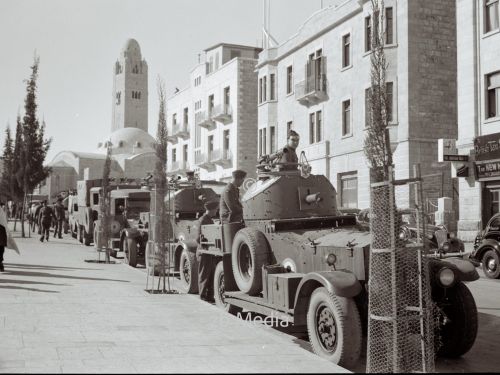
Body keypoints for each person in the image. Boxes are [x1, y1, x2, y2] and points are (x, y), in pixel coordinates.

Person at [196, 200, 219, 302]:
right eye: (216, 209)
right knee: (204, 274)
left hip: (209, 252)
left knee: (211, 274)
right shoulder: (202, 220)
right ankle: (202, 296)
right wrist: (205, 240)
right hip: (204, 252)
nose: (216, 211)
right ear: (211, 210)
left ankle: (210, 296)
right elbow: (198, 238)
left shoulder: (209, 219)